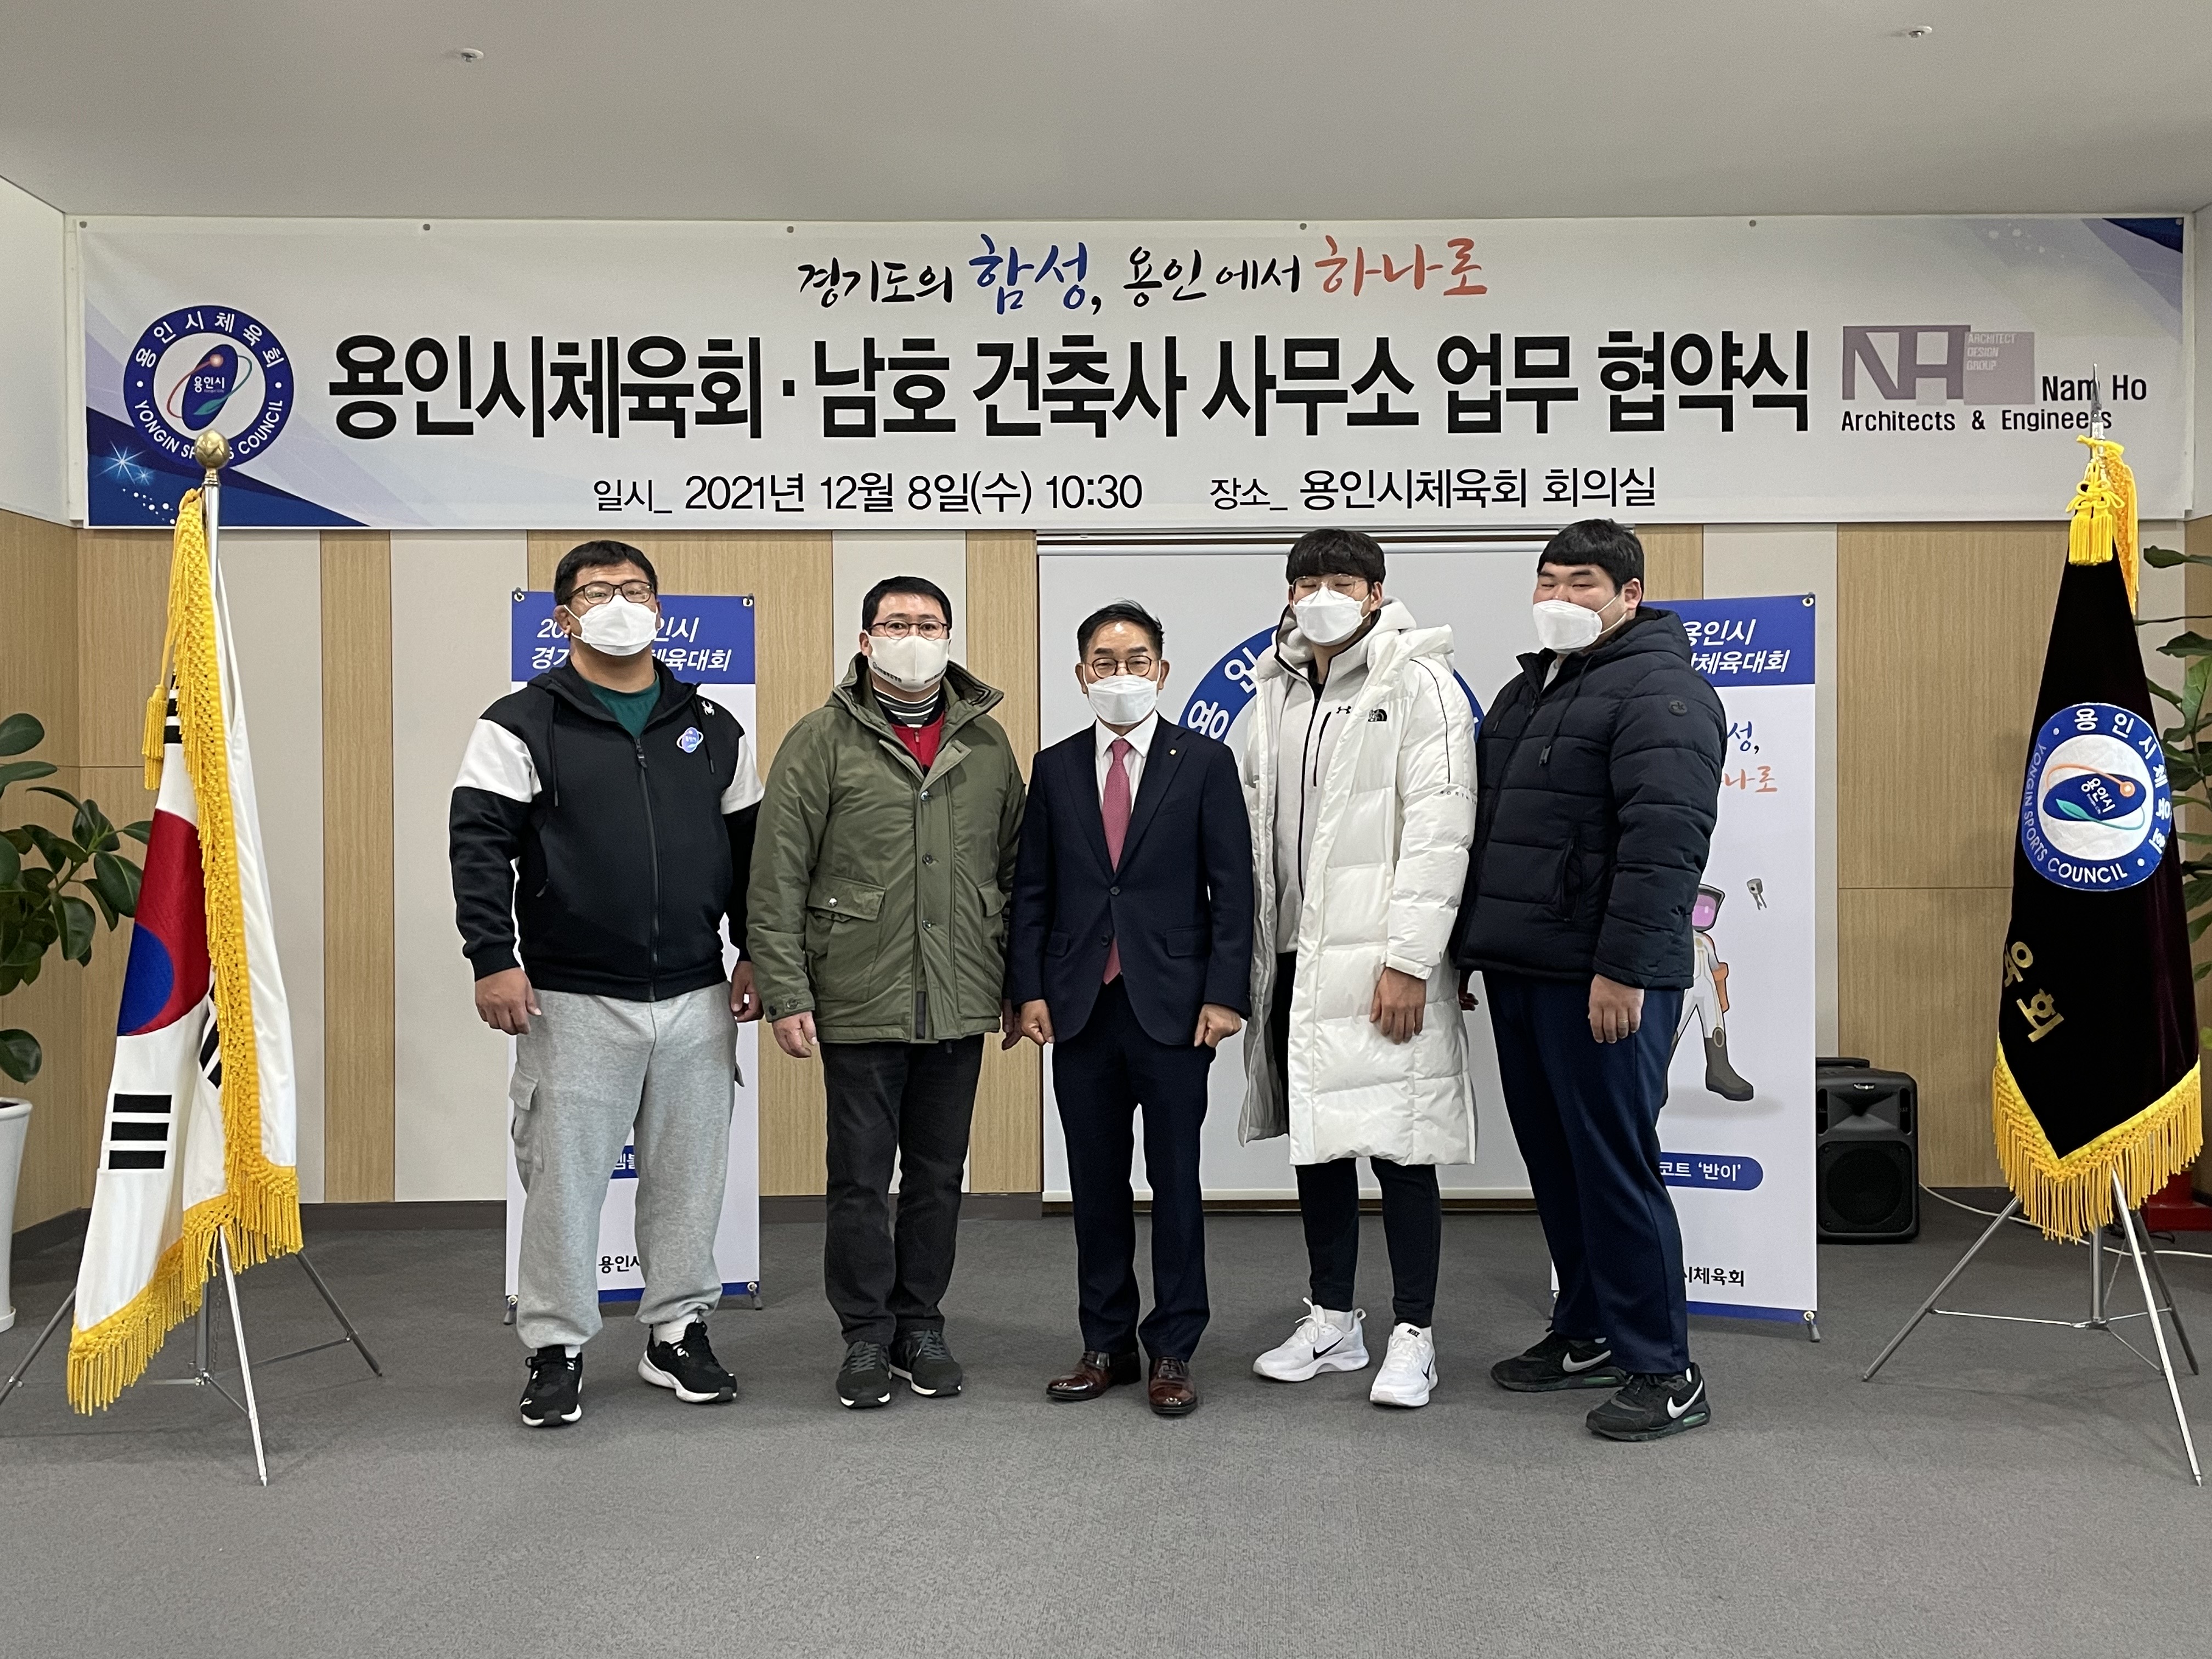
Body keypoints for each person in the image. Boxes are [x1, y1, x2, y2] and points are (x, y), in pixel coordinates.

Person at [450, 540, 763, 1429]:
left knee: (689, 1178)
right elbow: (479, 846)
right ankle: (556, 1346)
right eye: (597, 592)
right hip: (573, 995)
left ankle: (678, 1332)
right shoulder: (520, 722)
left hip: (697, 993)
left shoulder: (713, 725)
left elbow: (750, 854)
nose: (620, 604)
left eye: (635, 590)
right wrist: (492, 956)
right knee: (564, 1182)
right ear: (564, 619)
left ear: (660, 611)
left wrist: (755, 952)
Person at [1451, 518, 1725, 1442]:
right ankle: (1588, 1332)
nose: (1561, 599)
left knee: (1613, 1167)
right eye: (1549, 581)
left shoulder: (1664, 692)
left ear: (1629, 596)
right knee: (1558, 1164)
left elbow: (1665, 846)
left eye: (1583, 584)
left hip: (1603, 979)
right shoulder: (1526, 691)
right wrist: (1469, 949)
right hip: (1524, 968)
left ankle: (1665, 1369)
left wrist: (1624, 970)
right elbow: (1489, 831)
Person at [749, 575, 1026, 1409]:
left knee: (939, 1177)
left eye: (929, 624)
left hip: (959, 996)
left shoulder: (987, 743)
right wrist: (787, 991)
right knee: (861, 1181)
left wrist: (1018, 983)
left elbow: (1017, 871)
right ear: (866, 640)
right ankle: (865, 1335)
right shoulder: (820, 740)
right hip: (856, 996)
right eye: (896, 623)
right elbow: (777, 876)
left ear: (949, 636)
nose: (914, 637)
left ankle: (920, 1325)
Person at [1239, 528, 1478, 1409]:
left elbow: (1441, 830)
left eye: (1342, 581)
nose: (1323, 597)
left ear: (1377, 593)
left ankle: (1416, 1333)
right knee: (1319, 1142)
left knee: (1401, 1145)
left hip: (1383, 963)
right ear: (1288, 594)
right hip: (1295, 957)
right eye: (1307, 582)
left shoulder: (1420, 684)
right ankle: (1335, 1319)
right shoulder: (1271, 691)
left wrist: (1410, 961)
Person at [1007, 601, 1254, 1418]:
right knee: (1095, 1184)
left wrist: (1224, 994)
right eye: (1105, 663)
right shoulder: (1054, 767)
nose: (1122, 674)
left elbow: (1234, 891)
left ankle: (1174, 1347)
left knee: (1175, 1181)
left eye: (1137, 660)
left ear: (1163, 671)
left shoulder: (1205, 762)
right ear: (1081, 676)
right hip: (1079, 1007)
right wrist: (1029, 989)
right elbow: (1033, 890)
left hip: (1176, 1008)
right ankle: (1105, 1343)